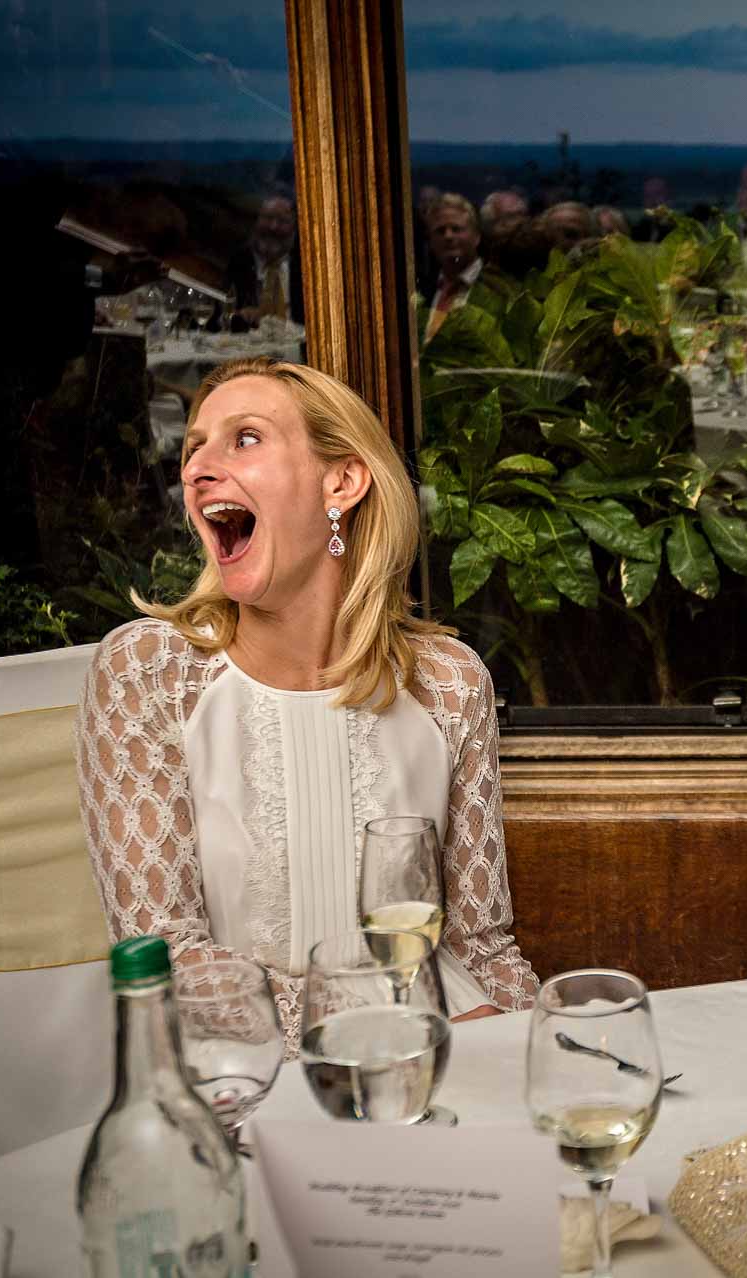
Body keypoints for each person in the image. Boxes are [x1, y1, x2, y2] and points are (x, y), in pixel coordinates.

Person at [76, 358, 538, 1050]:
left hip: (440, 1056)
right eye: (194, 445)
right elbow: (168, 959)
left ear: (343, 482)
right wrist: (377, 1028)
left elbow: (482, 949)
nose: (199, 466)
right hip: (249, 1074)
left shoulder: (448, 681)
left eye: (245, 439)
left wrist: (535, 1046)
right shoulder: (149, 673)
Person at [421, 194, 507, 342]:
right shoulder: (421, 289)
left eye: (456, 229)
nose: (448, 236)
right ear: (430, 242)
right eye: (440, 231)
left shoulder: (500, 286)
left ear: (477, 236)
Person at [224, 193, 304, 331]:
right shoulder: (238, 261)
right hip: (249, 346)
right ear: (257, 220)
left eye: (282, 221)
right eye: (268, 218)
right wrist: (239, 316)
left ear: (294, 226)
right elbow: (222, 309)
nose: (273, 227)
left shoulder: (306, 263)